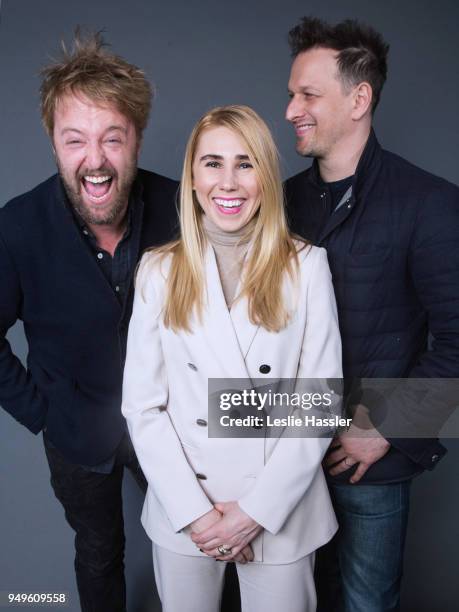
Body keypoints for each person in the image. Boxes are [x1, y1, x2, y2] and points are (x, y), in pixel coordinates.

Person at [122, 104, 342, 612]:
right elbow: (143, 407)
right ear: (192, 177)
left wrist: (255, 512)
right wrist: (197, 514)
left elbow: (318, 403)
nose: (229, 182)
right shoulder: (158, 271)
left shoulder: (306, 266)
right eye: (212, 163)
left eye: (245, 164)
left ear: (265, 175)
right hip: (185, 509)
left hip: (280, 508)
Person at [284, 16, 459, 612]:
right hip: (284, 456)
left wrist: (385, 425)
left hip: (368, 466)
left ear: (360, 98)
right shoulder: (276, 203)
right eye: (291, 94)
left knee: (365, 606)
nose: (291, 110)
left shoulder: (430, 203)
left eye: (308, 94)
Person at [0, 32, 178, 612]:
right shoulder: (17, 226)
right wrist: (42, 413)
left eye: (112, 139)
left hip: (178, 429)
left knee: (194, 551)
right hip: (77, 432)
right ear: (53, 142)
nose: (95, 159)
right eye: (74, 139)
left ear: (137, 140)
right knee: (99, 554)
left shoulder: (187, 209)